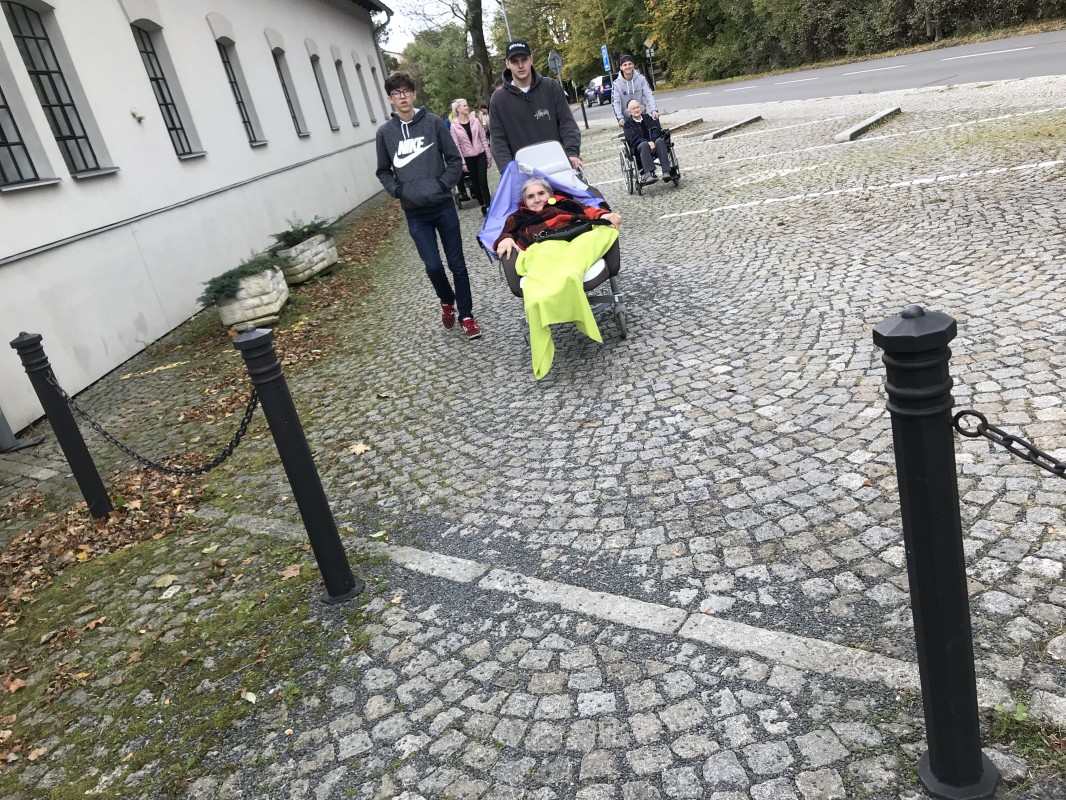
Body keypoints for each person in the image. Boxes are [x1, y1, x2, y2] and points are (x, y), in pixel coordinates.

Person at [375, 72, 481, 339]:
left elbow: (454, 160)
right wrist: (399, 190)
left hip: (443, 206)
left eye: (406, 91)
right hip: (415, 213)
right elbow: (383, 171)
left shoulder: (433, 123)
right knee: (433, 266)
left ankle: (467, 316)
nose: (402, 97)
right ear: (390, 99)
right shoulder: (385, 133)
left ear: (414, 94)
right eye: (396, 93)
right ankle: (447, 300)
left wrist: (442, 185)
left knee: (457, 264)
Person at [494, 177, 621, 378]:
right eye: (530, 197)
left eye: (541, 193)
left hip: (577, 238)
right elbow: (504, 235)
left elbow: (591, 212)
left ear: (550, 194)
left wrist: (605, 215)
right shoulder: (517, 217)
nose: (537, 199)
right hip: (544, 246)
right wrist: (506, 239)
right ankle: (564, 288)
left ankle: (570, 277)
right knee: (546, 260)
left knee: (596, 237)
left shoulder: (566, 204)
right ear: (524, 202)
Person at [489, 40, 582, 173]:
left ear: (531, 60)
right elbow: (498, 141)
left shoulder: (551, 87)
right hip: (524, 174)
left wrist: (571, 152)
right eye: (515, 61)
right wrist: (508, 170)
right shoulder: (498, 100)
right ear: (507, 64)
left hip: (559, 166)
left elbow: (567, 124)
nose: (521, 65)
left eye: (524, 59)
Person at [450, 98, 493, 215]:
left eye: (467, 105)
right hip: (468, 158)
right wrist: (462, 162)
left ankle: (489, 206)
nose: (467, 107)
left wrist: (488, 156)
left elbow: (483, 138)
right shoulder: (454, 126)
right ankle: (482, 203)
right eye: (464, 106)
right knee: (475, 183)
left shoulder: (475, 120)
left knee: (483, 181)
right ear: (458, 109)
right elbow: (456, 146)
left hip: (480, 155)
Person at [623, 99, 670, 185]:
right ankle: (648, 174)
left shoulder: (647, 118)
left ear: (641, 108)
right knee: (644, 144)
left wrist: (652, 141)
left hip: (654, 145)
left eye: (637, 107)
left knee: (660, 140)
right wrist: (647, 142)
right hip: (639, 149)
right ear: (629, 112)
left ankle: (666, 171)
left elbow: (657, 130)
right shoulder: (628, 125)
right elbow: (632, 139)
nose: (636, 110)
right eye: (633, 108)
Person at [611, 54, 659, 127]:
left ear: (633, 65)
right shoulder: (616, 84)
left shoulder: (641, 78)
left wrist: (654, 110)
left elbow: (649, 95)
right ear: (621, 67)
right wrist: (619, 118)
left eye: (630, 64)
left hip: (642, 115)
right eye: (625, 65)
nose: (628, 66)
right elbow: (615, 102)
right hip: (627, 120)